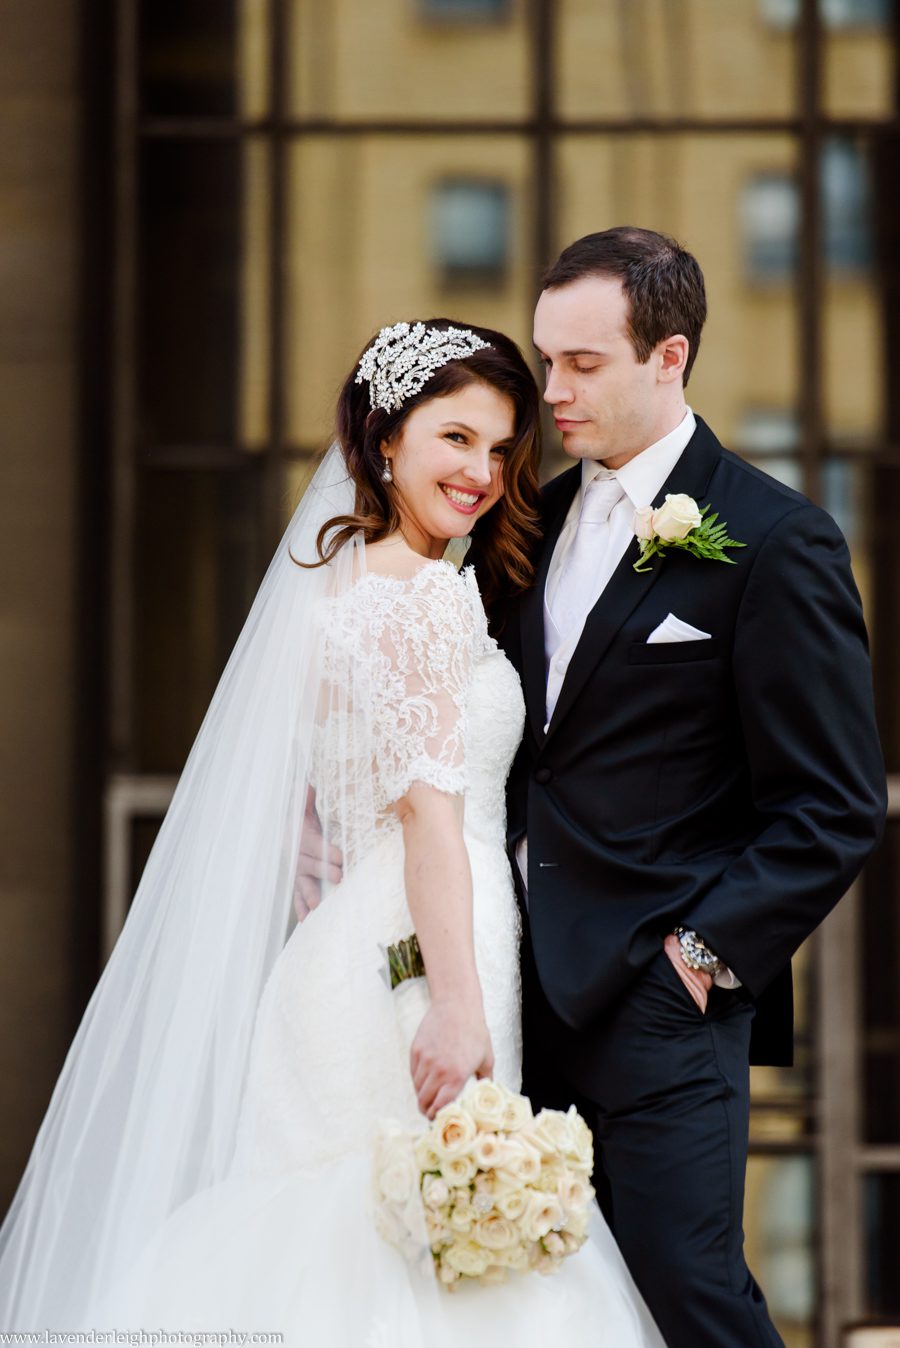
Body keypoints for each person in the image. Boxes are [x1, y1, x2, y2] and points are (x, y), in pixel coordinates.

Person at [0, 318, 665, 1347]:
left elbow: (331, 806)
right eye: (455, 438)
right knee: (414, 1241)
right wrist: (452, 1001)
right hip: (419, 950)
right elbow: (431, 816)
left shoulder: (355, 584)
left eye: (499, 449)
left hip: (368, 938)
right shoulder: (412, 600)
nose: (483, 471)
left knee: (386, 1232)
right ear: (386, 438)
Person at [483, 228, 887, 1348]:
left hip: (660, 1006)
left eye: (583, 364)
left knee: (688, 1297)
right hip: (512, 1003)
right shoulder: (529, 527)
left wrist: (698, 963)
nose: (552, 391)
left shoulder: (774, 540)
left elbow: (834, 804)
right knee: (537, 1308)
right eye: (547, 359)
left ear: (670, 357)